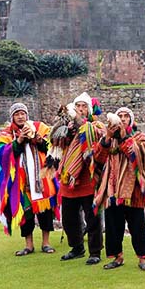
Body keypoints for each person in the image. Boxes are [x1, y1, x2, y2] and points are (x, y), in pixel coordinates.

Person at [0, 103, 59, 255]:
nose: (20, 116)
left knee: (45, 212)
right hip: (22, 182)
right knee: (26, 214)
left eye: (22, 113)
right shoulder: (7, 134)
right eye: (17, 114)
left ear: (27, 115)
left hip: (43, 179)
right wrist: (18, 141)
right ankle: (28, 245)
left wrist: (37, 138)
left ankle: (46, 242)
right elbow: (1, 154)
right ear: (12, 117)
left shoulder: (40, 127)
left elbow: (51, 147)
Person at [94, 107, 145, 271]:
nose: (123, 118)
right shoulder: (108, 138)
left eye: (126, 116)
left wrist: (123, 137)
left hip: (133, 189)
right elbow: (98, 158)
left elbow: (139, 154)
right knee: (113, 226)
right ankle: (117, 257)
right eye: (120, 116)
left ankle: (143, 259)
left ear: (131, 120)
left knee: (137, 226)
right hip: (112, 189)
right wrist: (107, 138)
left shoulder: (139, 137)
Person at [55, 92, 106, 265]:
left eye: (85, 106)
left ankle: (95, 251)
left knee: (92, 217)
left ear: (89, 110)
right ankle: (77, 247)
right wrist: (66, 131)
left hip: (88, 176)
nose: (81, 109)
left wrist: (78, 121)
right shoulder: (68, 126)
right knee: (68, 218)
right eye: (78, 106)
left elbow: (97, 135)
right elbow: (55, 142)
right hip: (69, 177)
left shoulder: (94, 124)